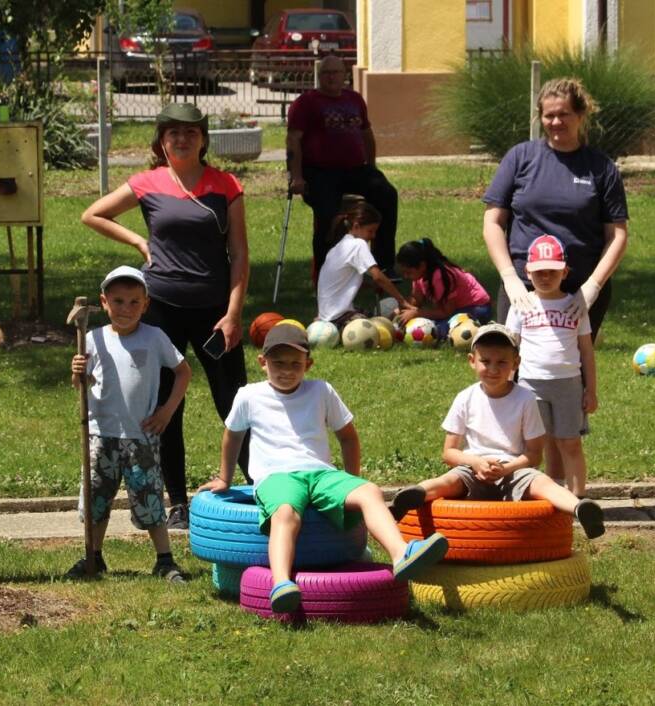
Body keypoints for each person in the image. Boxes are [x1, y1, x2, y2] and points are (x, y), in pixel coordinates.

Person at [199, 324, 449, 613]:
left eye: (296, 364)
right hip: (277, 476)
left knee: (368, 491)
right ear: (262, 362)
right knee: (285, 513)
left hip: (322, 474)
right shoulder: (249, 395)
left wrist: (351, 481)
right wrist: (224, 478)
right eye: (278, 363)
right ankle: (281, 583)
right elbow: (232, 436)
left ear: (309, 364)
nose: (287, 370)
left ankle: (401, 553)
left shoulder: (321, 390)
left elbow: (348, 437)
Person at [81, 103, 250, 530]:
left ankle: (258, 484)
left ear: (203, 139)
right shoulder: (147, 182)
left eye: (190, 132)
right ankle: (177, 502)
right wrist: (139, 241)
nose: (181, 139)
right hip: (162, 309)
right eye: (172, 132)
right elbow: (93, 214)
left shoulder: (225, 185)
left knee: (235, 402)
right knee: (164, 407)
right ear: (161, 140)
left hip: (215, 312)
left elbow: (240, 254)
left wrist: (233, 314)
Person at [482, 77, 627, 487]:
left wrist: (593, 286)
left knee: (565, 380)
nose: (556, 122)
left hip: (578, 293)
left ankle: (559, 493)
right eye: (548, 115)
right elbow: (494, 221)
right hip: (523, 291)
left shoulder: (600, 167)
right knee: (510, 379)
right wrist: (510, 278)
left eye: (564, 114)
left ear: (581, 116)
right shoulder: (521, 158)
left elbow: (617, 234)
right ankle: (511, 478)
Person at [389, 324, 604, 539]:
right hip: (473, 469)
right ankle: (414, 496)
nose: (493, 369)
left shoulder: (526, 399)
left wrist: (506, 468)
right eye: (485, 361)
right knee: (449, 481)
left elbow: (534, 454)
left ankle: (579, 508)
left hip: (513, 469)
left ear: (516, 364)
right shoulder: (465, 398)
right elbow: (449, 453)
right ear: (472, 361)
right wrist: (475, 463)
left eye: (502, 362)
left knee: (540, 482)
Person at [67, 266, 192, 579]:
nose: (126, 309)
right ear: (104, 302)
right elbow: (83, 383)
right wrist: (77, 372)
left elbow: (183, 372)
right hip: (100, 433)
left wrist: (167, 411)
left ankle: (164, 559)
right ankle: (93, 556)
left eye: (134, 302)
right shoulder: (92, 339)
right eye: (118, 301)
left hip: (141, 434)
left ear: (146, 304)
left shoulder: (154, 338)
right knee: (97, 498)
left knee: (149, 497)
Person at [287, 54, 400, 277]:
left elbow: (367, 134)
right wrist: (296, 176)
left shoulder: (355, 99)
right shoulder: (306, 103)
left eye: (335, 73)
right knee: (328, 213)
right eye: (326, 73)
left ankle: (384, 265)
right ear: (319, 77)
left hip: (355, 169)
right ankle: (326, 270)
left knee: (387, 195)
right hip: (319, 171)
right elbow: (293, 140)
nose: (331, 77)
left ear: (344, 76)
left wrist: (373, 166)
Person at [506, 236, 597, 497]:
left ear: (564, 272)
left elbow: (587, 351)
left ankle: (578, 500)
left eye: (552, 272)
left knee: (570, 442)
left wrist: (590, 390)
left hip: (568, 384)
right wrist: (509, 387)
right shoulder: (521, 305)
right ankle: (549, 493)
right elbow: (512, 348)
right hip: (530, 385)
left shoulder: (574, 305)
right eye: (539, 272)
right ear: (528, 272)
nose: (545, 277)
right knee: (537, 445)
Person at [317, 201, 409, 327]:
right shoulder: (358, 245)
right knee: (385, 325)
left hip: (327, 315)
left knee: (376, 317)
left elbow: (341, 282)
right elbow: (378, 276)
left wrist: (369, 285)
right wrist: (402, 301)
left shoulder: (338, 247)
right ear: (356, 226)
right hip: (339, 316)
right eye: (370, 231)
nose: (373, 236)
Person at [394, 237, 492, 339]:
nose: (405, 276)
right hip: (455, 310)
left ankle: (481, 325)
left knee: (439, 330)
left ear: (422, 266)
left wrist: (417, 313)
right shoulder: (419, 276)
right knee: (426, 324)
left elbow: (446, 312)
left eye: (408, 272)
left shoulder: (439, 277)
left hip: (477, 308)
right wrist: (401, 310)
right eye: (404, 273)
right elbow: (416, 299)